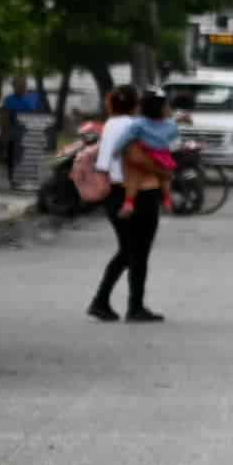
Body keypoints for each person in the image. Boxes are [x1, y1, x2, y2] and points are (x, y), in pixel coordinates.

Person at [86, 84, 173, 323]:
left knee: (127, 251)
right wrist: (163, 172)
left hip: (113, 192)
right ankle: (134, 307)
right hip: (136, 193)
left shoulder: (112, 124)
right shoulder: (137, 126)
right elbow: (136, 158)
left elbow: (108, 162)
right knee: (138, 252)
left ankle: (101, 301)